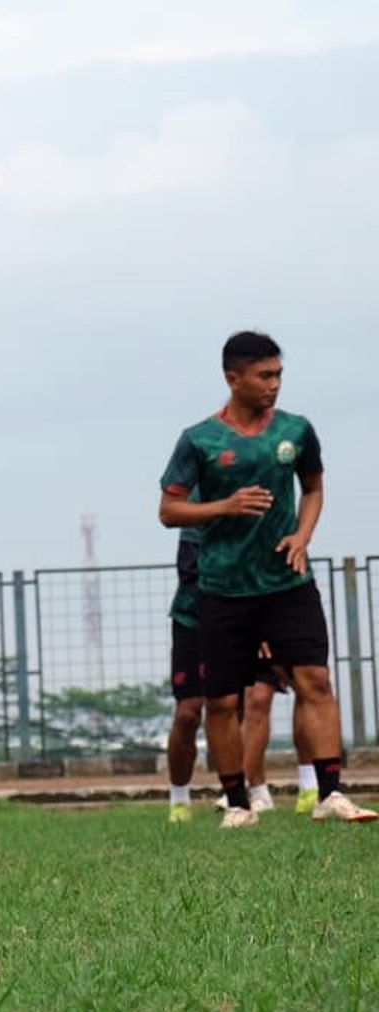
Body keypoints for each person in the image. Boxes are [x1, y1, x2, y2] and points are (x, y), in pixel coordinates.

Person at [158, 330, 373, 828]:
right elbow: (169, 510)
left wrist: (302, 535)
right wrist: (224, 507)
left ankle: (331, 793)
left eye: (278, 374)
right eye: (264, 376)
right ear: (233, 378)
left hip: (287, 581)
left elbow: (314, 487)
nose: (274, 385)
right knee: (223, 700)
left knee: (314, 679)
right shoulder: (199, 440)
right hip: (223, 588)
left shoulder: (297, 430)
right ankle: (237, 804)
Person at [162, 529, 279, 823]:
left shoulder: (258, 512)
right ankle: (179, 798)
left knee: (245, 703)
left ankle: (240, 794)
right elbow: (191, 572)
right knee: (189, 712)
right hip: (194, 619)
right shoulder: (197, 509)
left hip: (248, 618)